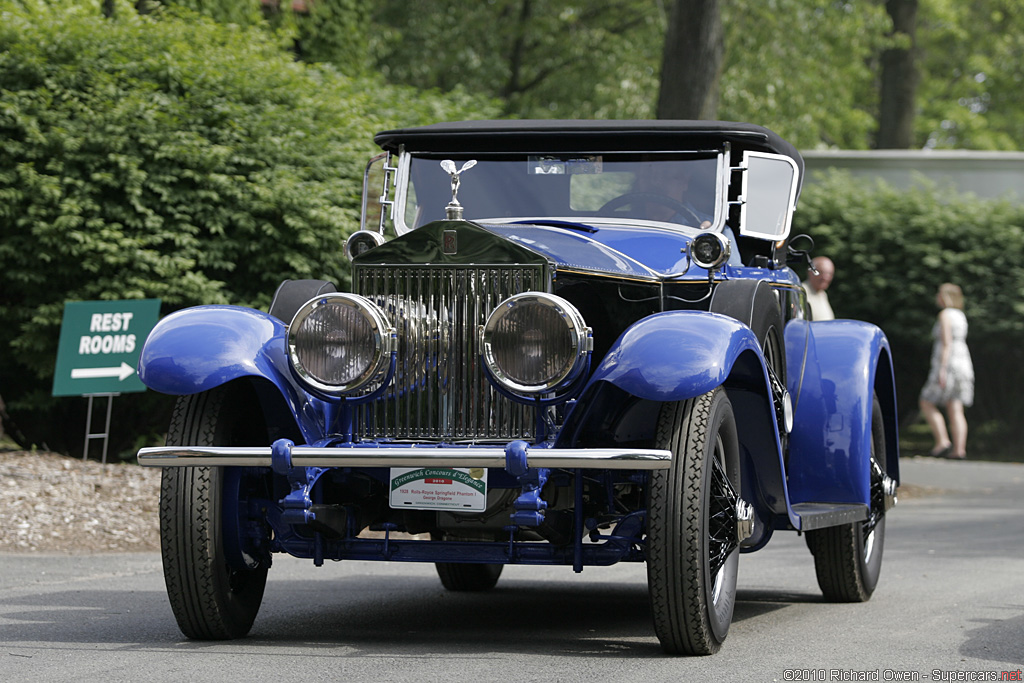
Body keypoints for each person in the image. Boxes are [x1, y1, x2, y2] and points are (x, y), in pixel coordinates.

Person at [918, 283, 974, 459]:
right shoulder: (961, 316)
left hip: (948, 363)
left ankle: (942, 441)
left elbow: (946, 343)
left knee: (926, 401)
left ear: (945, 296)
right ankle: (959, 450)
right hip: (964, 363)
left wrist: (942, 369)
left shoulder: (945, 314)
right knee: (956, 407)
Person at [802, 256, 835, 321]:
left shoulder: (823, 294)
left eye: (829, 274)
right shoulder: (801, 291)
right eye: (821, 272)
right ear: (810, 272)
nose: (825, 277)